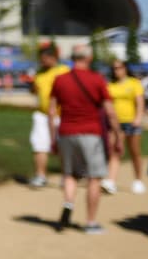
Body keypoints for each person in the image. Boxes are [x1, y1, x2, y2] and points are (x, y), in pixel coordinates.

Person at [48, 45, 120, 234]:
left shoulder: (59, 80)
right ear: (89, 58)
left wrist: (52, 139)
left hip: (66, 132)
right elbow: (110, 112)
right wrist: (118, 135)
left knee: (70, 174)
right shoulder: (97, 79)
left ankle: (68, 203)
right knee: (94, 177)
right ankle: (90, 222)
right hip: (91, 132)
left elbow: (51, 112)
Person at [27, 43, 69, 188]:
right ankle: (40, 175)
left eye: (44, 58)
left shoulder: (63, 71)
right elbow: (34, 92)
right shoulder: (39, 74)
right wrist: (31, 84)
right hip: (43, 114)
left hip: (61, 114)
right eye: (41, 58)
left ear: (53, 57)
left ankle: (66, 176)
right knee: (39, 145)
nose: (42, 61)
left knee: (63, 146)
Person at [105, 59, 146, 194]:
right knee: (115, 151)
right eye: (114, 68)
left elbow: (140, 102)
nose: (117, 70)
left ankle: (138, 180)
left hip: (131, 121)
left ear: (125, 68)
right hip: (115, 123)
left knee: (135, 152)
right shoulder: (110, 85)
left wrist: (138, 117)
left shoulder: (134, 83)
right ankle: (111, 181)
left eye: (119, 67)